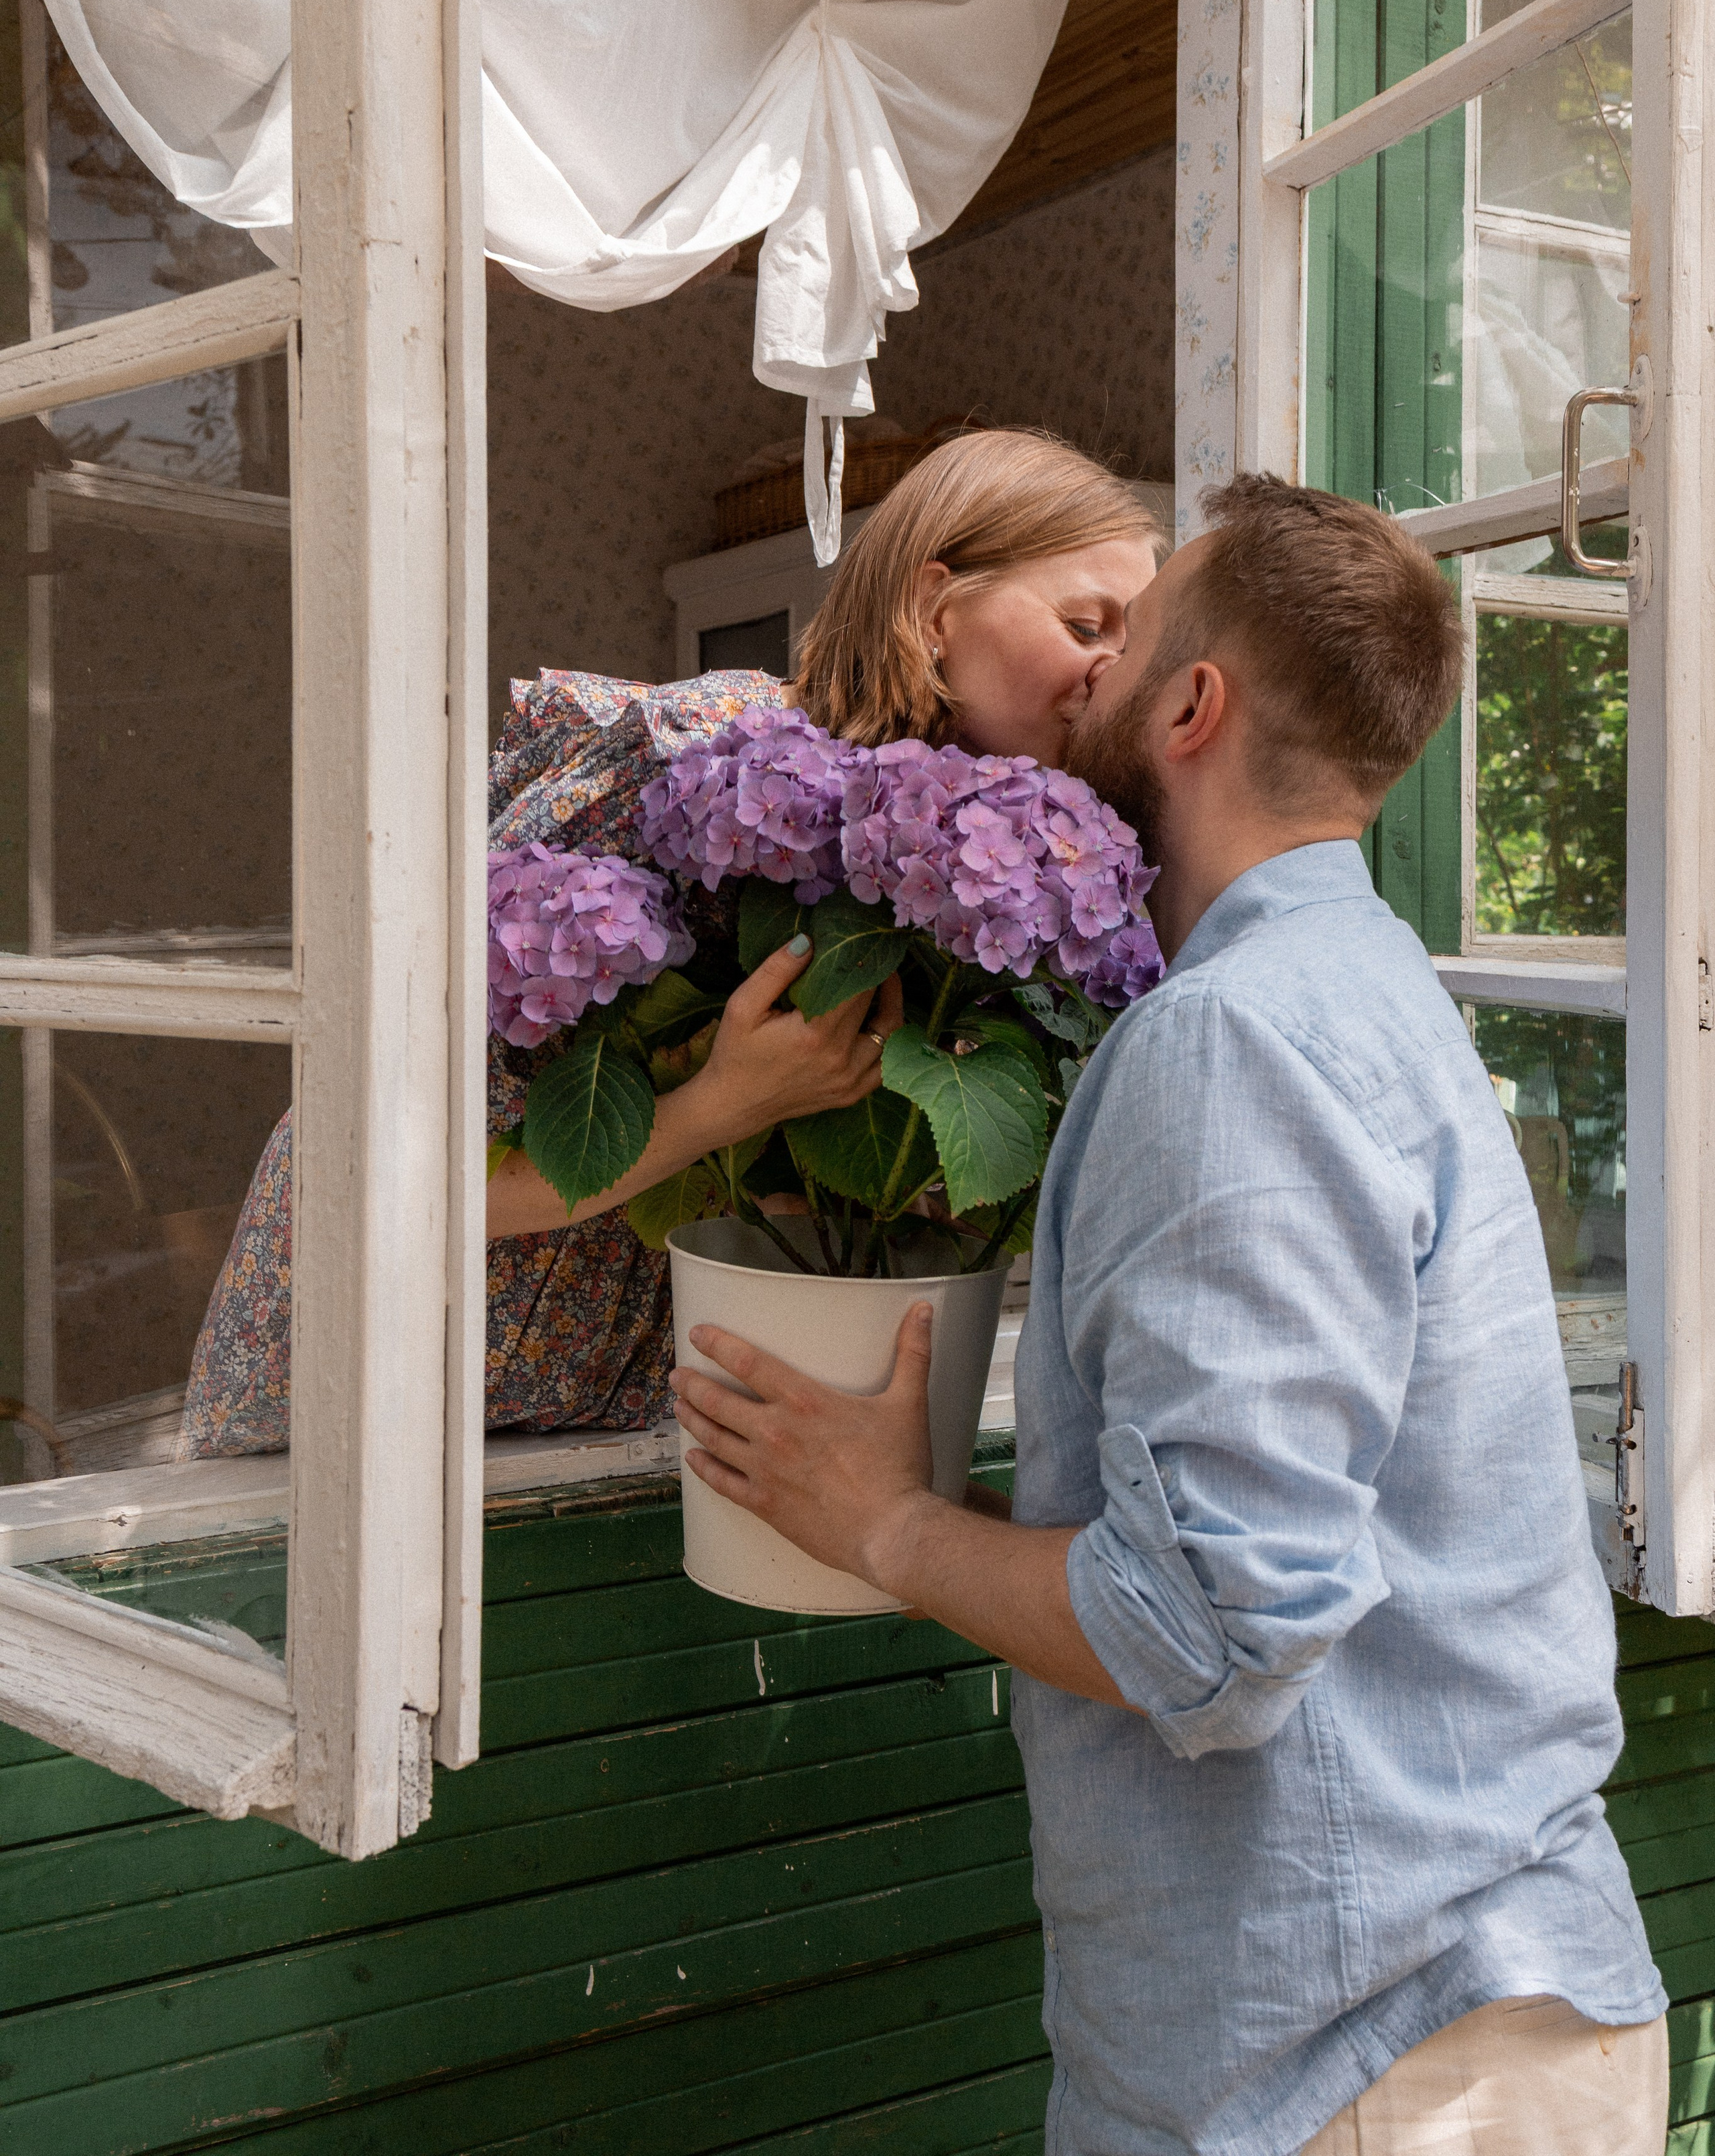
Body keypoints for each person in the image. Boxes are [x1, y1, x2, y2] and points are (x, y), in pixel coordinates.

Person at [669, 474, 1669, 2156]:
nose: (1084, 671)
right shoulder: (1360, 992)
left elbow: (1208, 1623)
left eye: (1122, 638)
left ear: (1190, 710)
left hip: (1360, 2065)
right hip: (1440, 2023)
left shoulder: (1232, 1046)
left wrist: (887, 1523)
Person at [177, 427, 1162, 1456]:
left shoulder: (952, 898)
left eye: (1131, 650)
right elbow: (368, 1178)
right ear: (933, 607)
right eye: (1086, 623)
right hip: (367, 1418)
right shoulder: (696, 761)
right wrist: (726, 1100)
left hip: (612, 1427)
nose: (1112, 673)